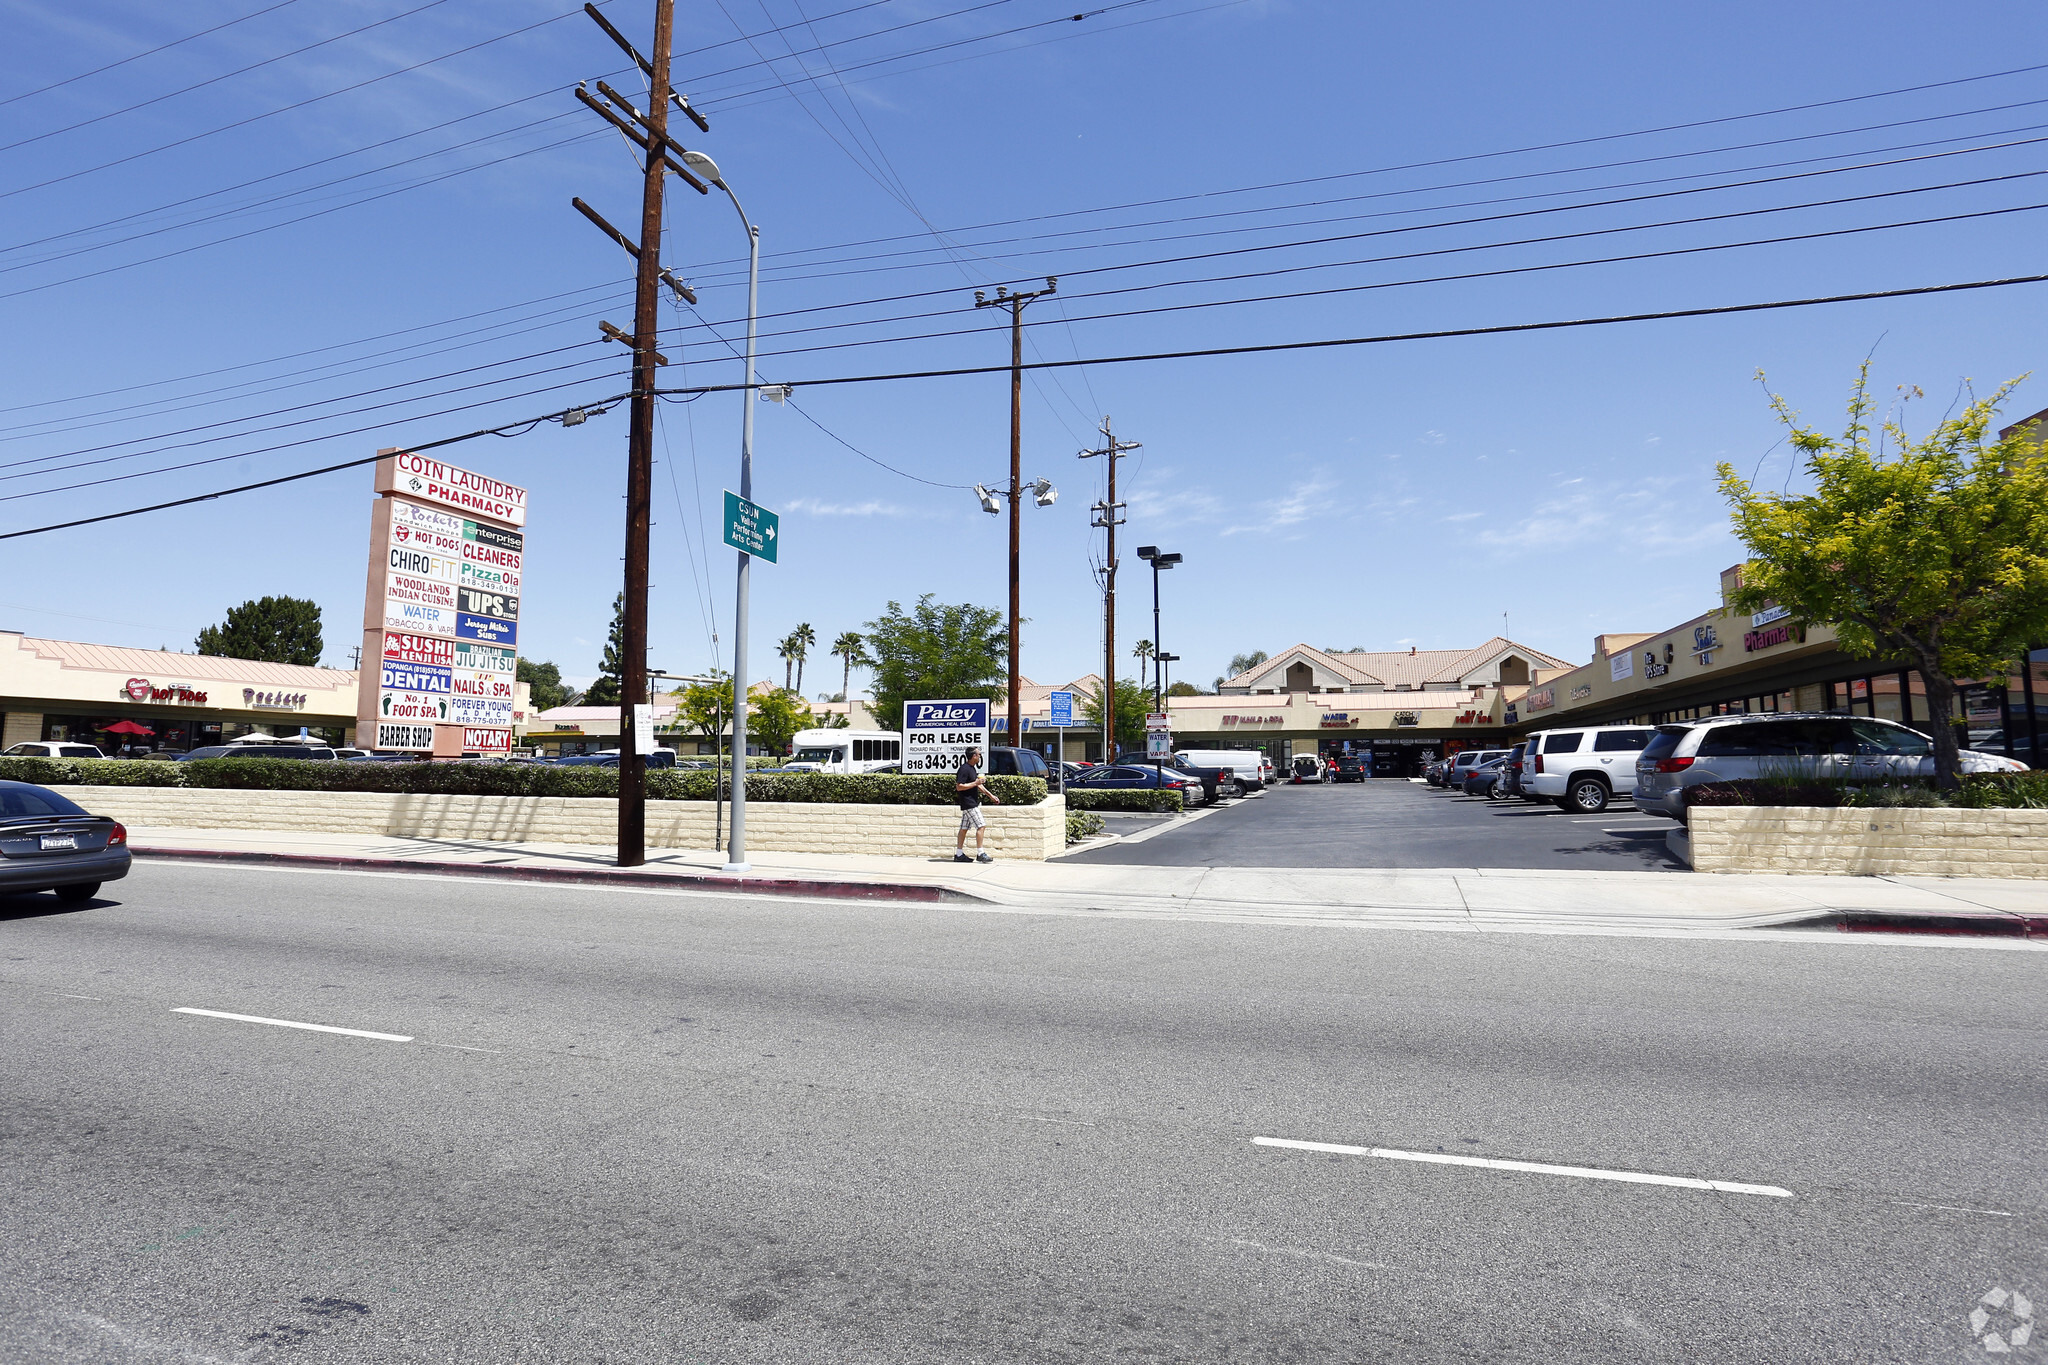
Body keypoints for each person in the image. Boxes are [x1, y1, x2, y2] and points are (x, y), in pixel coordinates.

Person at [954, 745, 1001, 863]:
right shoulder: (964, 769)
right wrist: (975, 783)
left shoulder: (972, 768)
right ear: (974, 756)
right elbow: (959, 787)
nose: (980, 756)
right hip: (969, 803)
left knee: (964, 828)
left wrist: (991, 796)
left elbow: (978, 785)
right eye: (978, 754)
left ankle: (959, 854)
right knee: (981, 826)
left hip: (970, 803)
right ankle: (980, 853)